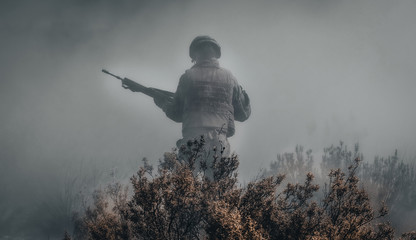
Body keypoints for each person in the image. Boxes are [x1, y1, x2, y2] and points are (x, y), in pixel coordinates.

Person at [125, 36, 251, 177]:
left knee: (185, 190)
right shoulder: (230, 78)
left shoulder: (188, 77)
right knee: (217, 193)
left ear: (194, 55)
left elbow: (176, 113)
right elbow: (243, 114)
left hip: (193, 139)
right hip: (219, 141)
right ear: (216, 54)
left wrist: (161, 102)